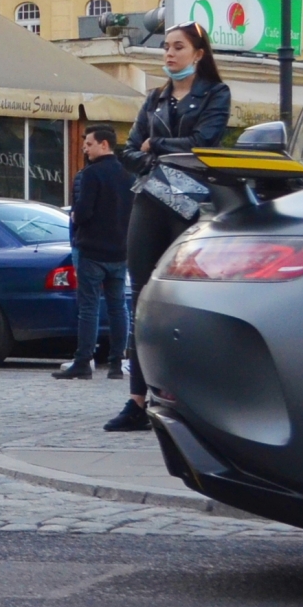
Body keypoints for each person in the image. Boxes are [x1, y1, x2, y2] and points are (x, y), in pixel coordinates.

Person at [104, 24, 232, 432]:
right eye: (165, 47)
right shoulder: (155, 98)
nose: (169, 54)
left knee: (188, 296)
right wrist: (150, 159)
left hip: (192, 203)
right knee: (142, 297)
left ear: (198, 53)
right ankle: (137, 400)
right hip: (152, 198)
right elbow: (127, 149)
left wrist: (155, 148)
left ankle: (192, 397)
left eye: (178, 47)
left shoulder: (215, 93)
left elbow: (205, 142)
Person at [55, 123, 132, 381]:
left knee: (88, 307)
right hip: (120, 251)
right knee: (118, 306)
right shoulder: (127, 174)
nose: (85, 149)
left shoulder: (92, 174)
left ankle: (83, 361)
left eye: (88, 144)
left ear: (104, 144)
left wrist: (76, 215)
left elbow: (83, 211)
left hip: (92, 250)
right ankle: (116, 363)